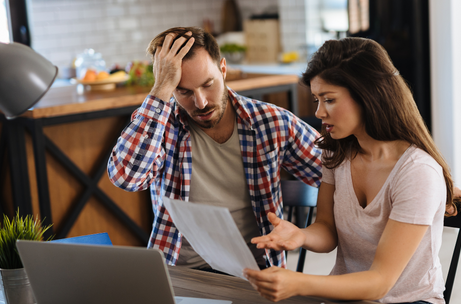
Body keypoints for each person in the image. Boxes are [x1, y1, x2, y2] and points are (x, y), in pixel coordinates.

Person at [244, 37, 461, 304]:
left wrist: (300, 283)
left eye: (329, 99)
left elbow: (379, 283)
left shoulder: (417, 173)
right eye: (316, 99)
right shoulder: (336, 152)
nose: (319, 112)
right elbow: (327, 229)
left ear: (367, 95)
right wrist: (300, 235)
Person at [106, 27, 322, 270]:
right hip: (180, 274)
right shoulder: (161, 127)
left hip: (254, 273)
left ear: (223, 68)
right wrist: (160, 91)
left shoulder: (271, 122)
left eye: (208, 84)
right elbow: (126, 177)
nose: (201, 102)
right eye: (183, 91)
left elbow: (339, 174)